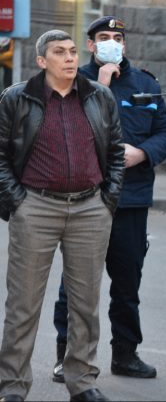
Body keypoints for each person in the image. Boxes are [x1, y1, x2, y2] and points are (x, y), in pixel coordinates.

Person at [51, 16, 166, 383]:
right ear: (90, 45)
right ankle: (67, 357)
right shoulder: (72, 81)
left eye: (117, 38)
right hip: (83, 199)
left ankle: (125, 354)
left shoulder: (145, 83)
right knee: (76, 286)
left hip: (131, 199)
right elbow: (61, 130)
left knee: (127, 284)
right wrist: (100, 86)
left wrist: (143, 153)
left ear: (124, 44)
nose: (111, 42)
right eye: (103, 37)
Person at [0, 29, 124, 402]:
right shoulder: (17, 98)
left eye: (72, 51)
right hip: (36, 207)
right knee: (23, 304)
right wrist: (17, 201)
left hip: (90, 209)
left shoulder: (99, 96)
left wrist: (106, 200)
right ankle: (13, 386)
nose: (70, 57)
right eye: (59, 52)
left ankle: (82, 382)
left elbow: (115, 151)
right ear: (42, 61)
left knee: (85, 304)